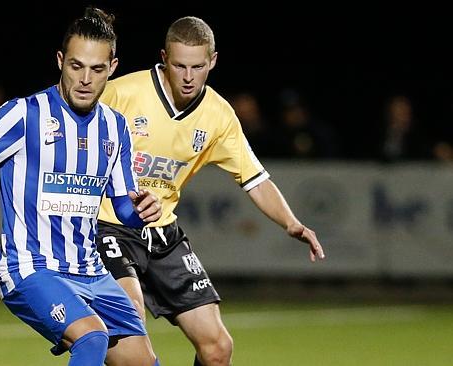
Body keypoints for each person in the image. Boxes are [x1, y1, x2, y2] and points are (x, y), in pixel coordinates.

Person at [0, 7, 162, 366]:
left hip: (91, 271)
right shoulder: (25, 114)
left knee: (143, 362)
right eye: (76, 66)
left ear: (112, 68)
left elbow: (122, 208)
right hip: (30, 267)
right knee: (91, 337)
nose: (85, 78)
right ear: (60, 61)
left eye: (97, 69)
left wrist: (142, 213)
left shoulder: (115, 127)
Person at [95, 16, 326, 366]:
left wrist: (291, 223)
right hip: (108, 227)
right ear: (163, 58)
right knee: (132, 341)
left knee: (218, 349)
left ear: (213, 61)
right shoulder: (123, 93)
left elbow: (255, 178)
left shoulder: (219, 115)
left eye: (198, 67)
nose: (188, 77)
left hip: (162, 235)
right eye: (179, 66)